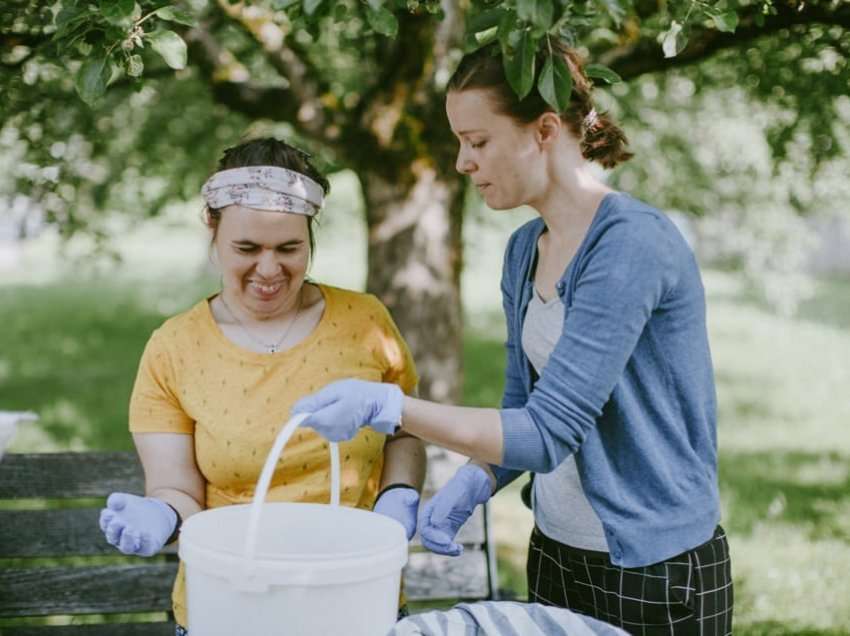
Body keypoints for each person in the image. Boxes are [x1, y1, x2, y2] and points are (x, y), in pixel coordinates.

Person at [292, 41, 733, 635]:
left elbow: (550, 432)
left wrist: (390, 406)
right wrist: (480, 477)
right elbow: (521, 410)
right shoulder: (525, 250)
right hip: (556, 550)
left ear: (545, 130)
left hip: (652, 568)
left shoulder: (630, 245)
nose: (461, 163)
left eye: (478, 142)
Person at [97, 138, 425, 635]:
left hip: (356, 600)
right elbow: (179, 490)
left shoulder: (365, 321)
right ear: (212, 228)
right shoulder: (174, 348)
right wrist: (161, 513)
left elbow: (405, 431)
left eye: (289, 248)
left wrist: (399, 493)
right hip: (232, 607)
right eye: (247, 248)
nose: (269, 270)